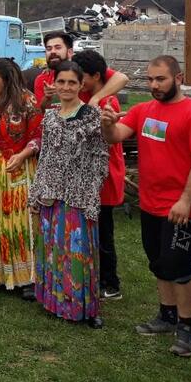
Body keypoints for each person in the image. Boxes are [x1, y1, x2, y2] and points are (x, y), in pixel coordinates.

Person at [101, 55, 191, 357]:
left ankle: (187, 328)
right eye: (149, 80)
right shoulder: (143, 110)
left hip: (181, 208)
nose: (154, 85)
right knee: (158, 262)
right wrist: (109, 125)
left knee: (179, 266)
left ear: (178, 78)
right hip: (149, 204)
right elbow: (116, 137)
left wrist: (186, 200)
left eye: (160, 79)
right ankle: (166, 315)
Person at [29, 62, 108, 328]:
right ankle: (55, 302)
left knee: (78, 249)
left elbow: (99, 157)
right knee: (53, 249)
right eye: (61, 82)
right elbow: (46, 157)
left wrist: (91, 192)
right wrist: (38, 192)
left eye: (71, 83)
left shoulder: (91, 116)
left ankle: (83, 306)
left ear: (81, 85)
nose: (65, 87)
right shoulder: (50, 116)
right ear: (54, 83)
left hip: (78, 194)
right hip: (51, 192)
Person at [0, 58, 43, 296]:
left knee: (18, 222)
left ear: (7, 78)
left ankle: (26, 278)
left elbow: (38, 135)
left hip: (17, 168)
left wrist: (23, 154)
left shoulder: (27, 100)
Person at [73, 50, 126, 301]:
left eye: (82, 77)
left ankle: (111, 282)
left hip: (103, 175)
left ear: (95, 76)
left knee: (104, 232)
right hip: (89, 175)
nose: (78, 82)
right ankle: (95, 276)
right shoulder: (88, 94)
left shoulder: (108, 102)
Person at [32, 32, 128, 109]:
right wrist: (48, 97)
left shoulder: (81, 68)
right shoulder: (42, 80)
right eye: (48, 49)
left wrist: (96, 98)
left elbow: (122, 78)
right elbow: (42, 111)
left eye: (58, 47)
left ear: (70, 52)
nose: (52, 51)